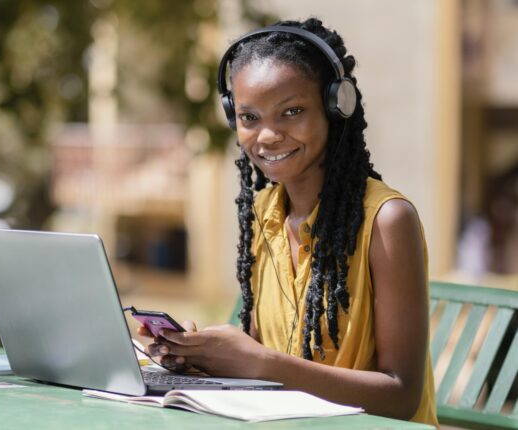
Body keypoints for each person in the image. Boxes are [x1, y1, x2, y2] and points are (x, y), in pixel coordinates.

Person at [139, 17, 437, 426]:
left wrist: (263, 364)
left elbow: (401, 396)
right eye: (249, 117)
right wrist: (197, 353)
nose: (267, 135)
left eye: (291, 112)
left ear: (337, 107)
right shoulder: (263, 212)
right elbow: (263, 358)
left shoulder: (387, 220)